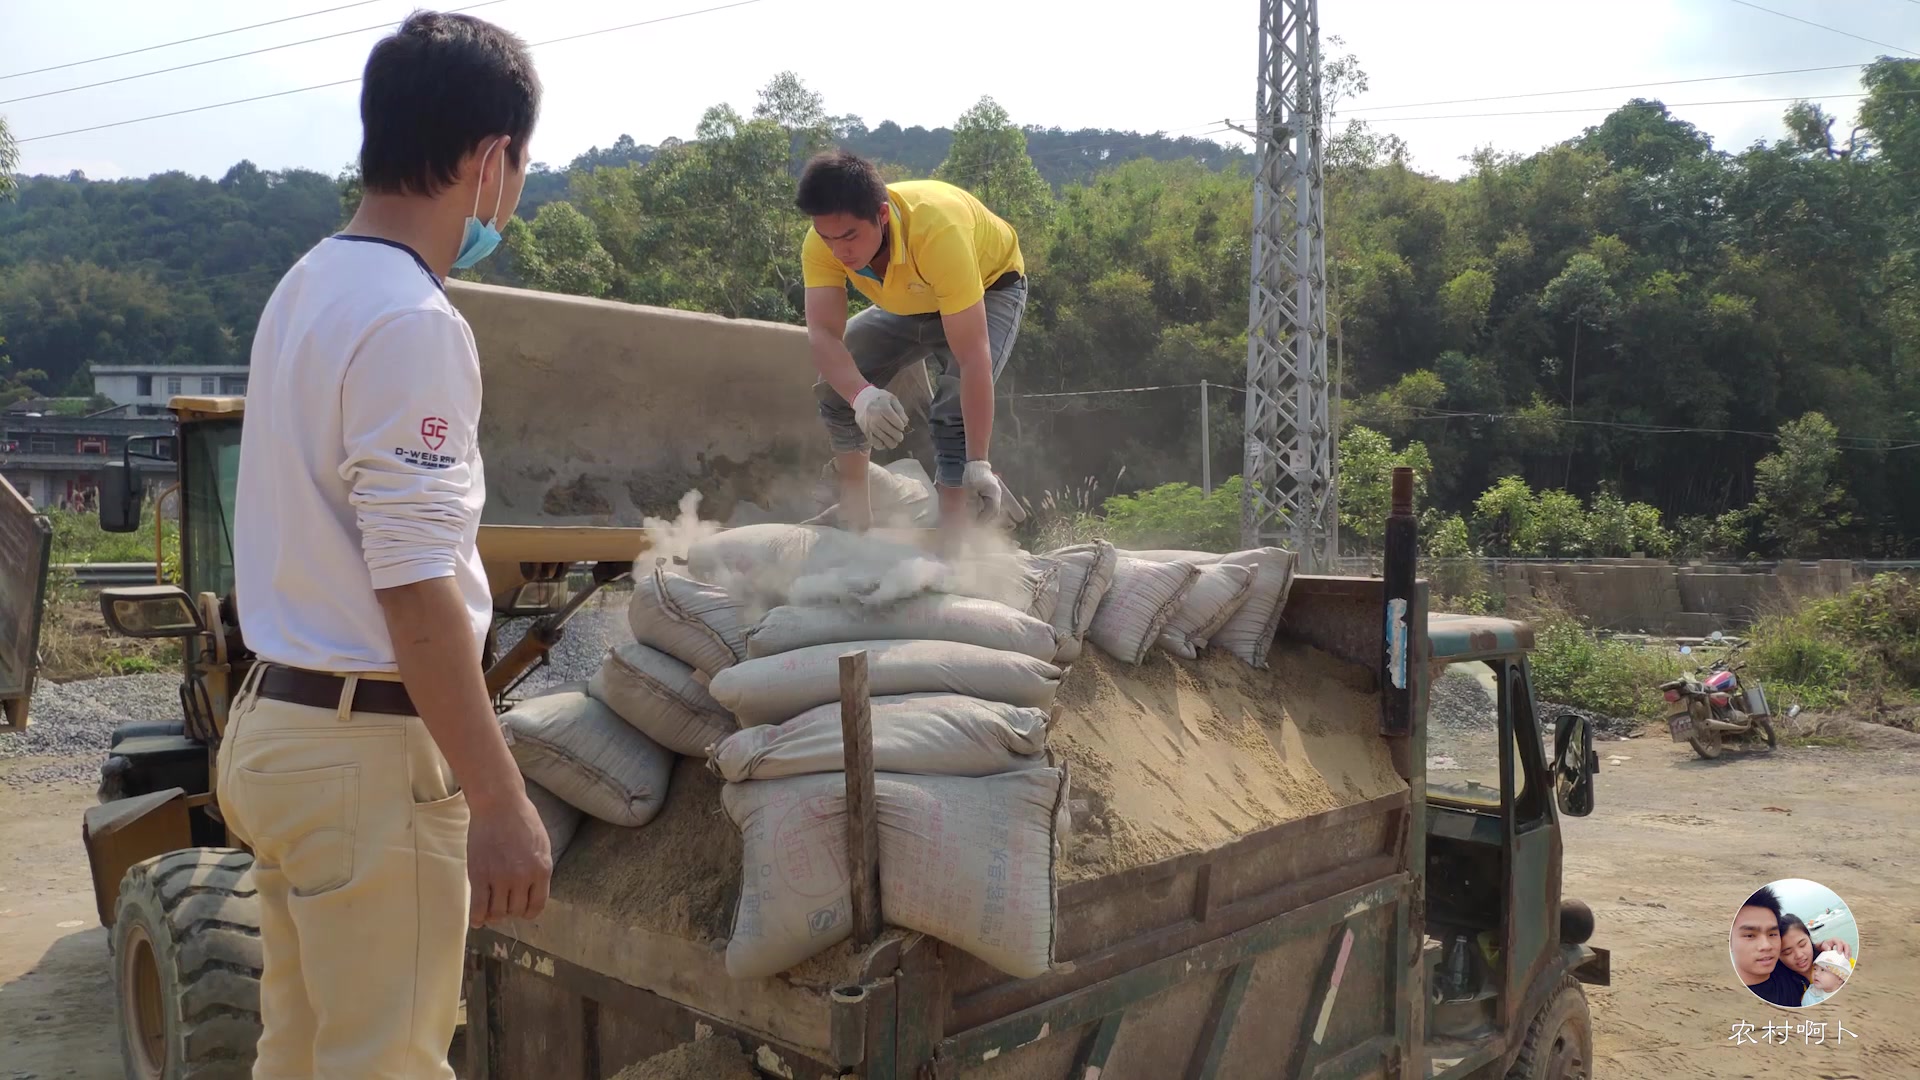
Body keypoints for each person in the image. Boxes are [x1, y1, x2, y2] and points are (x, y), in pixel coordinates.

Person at [221, 12, 548, 1077]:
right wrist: (498, 800)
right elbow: (412, 590)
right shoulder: (414, 322)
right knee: (389, 1064)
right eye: (522, 165)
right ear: (491, 160)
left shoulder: (307, 283)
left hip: (279, 729)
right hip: (363, 756)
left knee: (303, 1057)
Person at [795, 149, 1028, 538]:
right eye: (828, 238)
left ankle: (952, 538)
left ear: (882, 216)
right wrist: (863, 397)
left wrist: (978, 462)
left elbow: (972, 358)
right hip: (907, 299)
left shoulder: (938, 232)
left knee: (952, 411)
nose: (841, 252)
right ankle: (855, 516)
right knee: (835, 391)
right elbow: (823, 334)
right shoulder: (823, 243)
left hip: (989, 288)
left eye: (850, 236)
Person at [1733, 890, 1853, 1008]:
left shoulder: (1838, 963)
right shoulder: (1785, 984)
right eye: (1787, 952)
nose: (1799, 955)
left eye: (1802, 944)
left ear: (1809, 938)